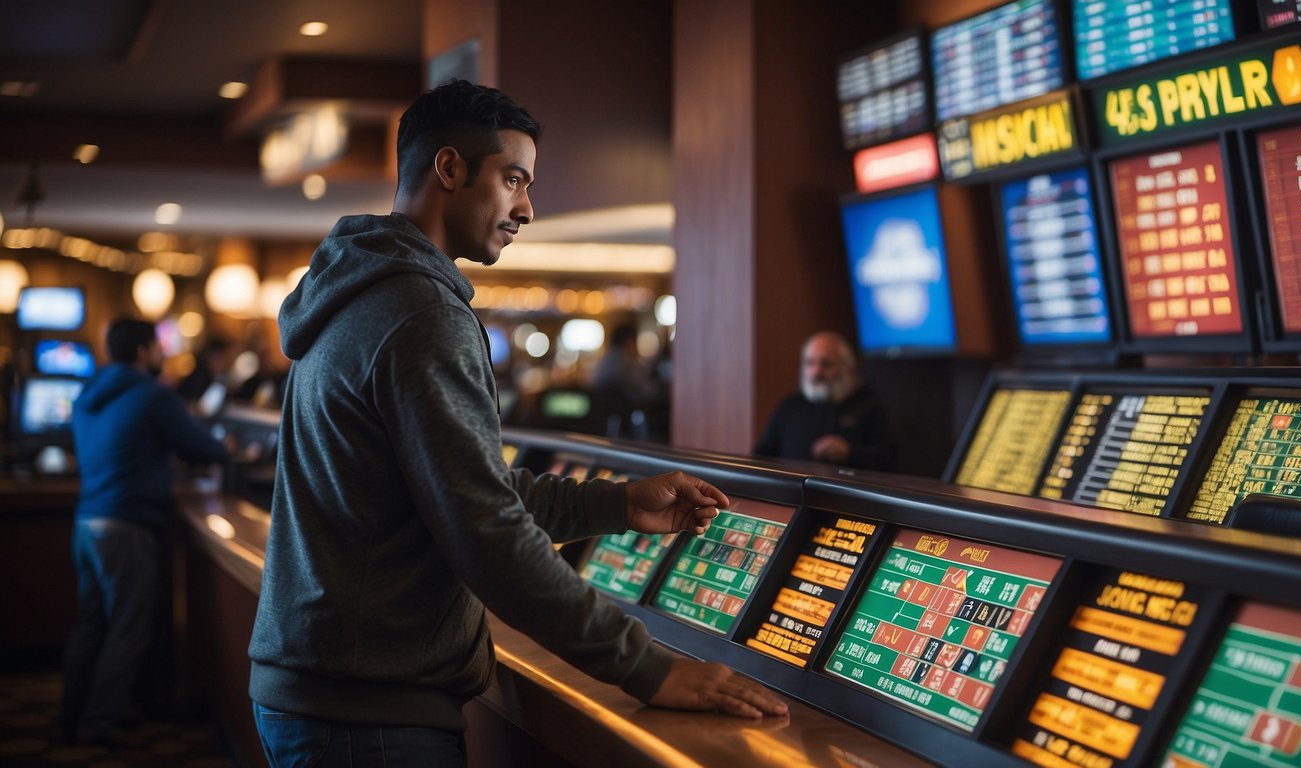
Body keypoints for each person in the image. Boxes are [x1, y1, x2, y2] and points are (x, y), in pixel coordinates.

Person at [248, 79, 786, 767]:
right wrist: (651, 669)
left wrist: (616, 502)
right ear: (449, 169)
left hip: (324, 691)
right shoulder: (421, 314)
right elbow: (485, 532)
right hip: (368, 716)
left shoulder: (360, 292)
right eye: (512, 179)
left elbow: (456, 492)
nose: (527, 208)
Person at [60, 318, 231, 745]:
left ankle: (71, 714)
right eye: (157, 348)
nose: (162, 355)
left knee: (91, 624)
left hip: (86, 523)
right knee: (129, 626)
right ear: (142, 352)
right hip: (126, 525)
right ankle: (101, 721)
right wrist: (226, 450)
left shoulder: (86, 394)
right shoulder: (153, 395)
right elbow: (196, 446)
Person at [753, 330, 896, 471]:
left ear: (848, 368)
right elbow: (760, 458)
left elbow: (889, 461)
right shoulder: (789, 406)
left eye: (826, 364)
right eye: (810, 363)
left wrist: (850, 453)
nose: (816, 372)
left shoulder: (868, 406)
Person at [591, 320, 660, 437]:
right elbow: (646, 392)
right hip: (628, 421)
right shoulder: (627, 363)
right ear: (629, 341)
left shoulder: (602, 361)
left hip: (604, 420)